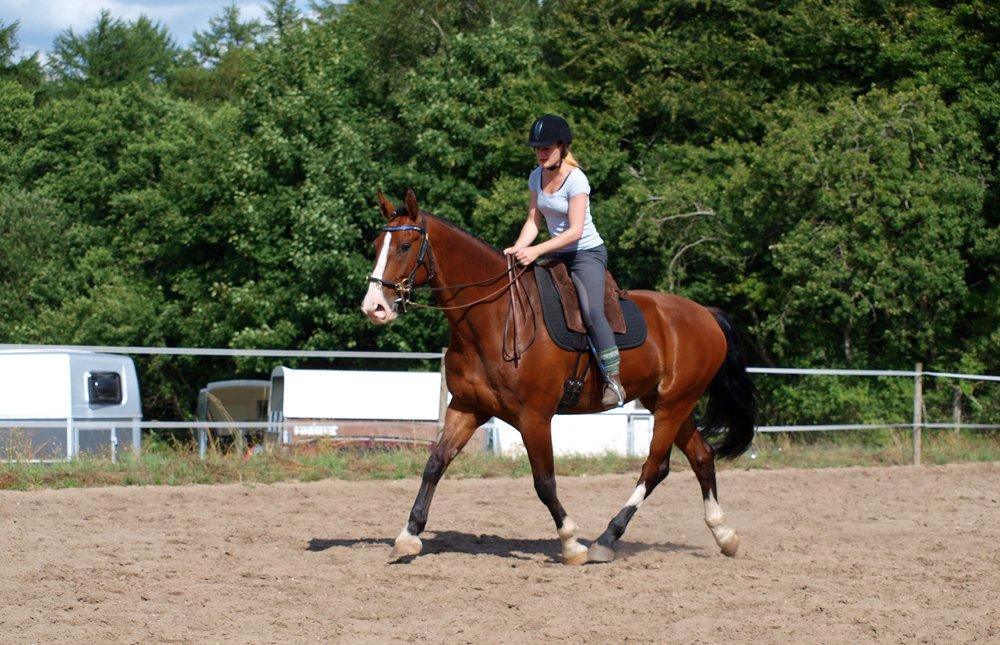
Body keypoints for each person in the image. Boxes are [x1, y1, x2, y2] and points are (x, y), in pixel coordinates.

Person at [504, 114, 625, 408]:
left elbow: (575, 231)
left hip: (586, 252)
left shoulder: (577, 180)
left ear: (562, 147)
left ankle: (613, 379)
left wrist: (535, 251)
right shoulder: (536, 176)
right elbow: (533, 219)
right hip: (557, 252)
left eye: (546, 148)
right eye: (537, 149)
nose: (541, 153)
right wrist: (517, 249)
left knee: (590, 308)